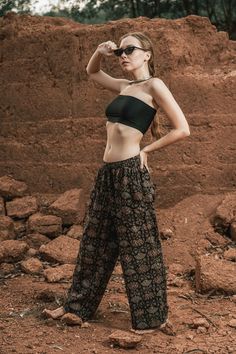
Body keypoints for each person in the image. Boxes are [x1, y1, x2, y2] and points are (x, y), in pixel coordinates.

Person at [42, 31, 190, 335]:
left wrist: (147, 150)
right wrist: (100, 50)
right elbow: (92, 71)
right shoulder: (125, 86)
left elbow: (183, 129)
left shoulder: (154, 85)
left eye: (129, 49)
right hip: (108, 174)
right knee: (94, 242)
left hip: (131, 172)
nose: (123, 55)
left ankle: (151, 319)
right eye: (120, 50)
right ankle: (75, 307)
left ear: (146, 54)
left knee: (140, 246)